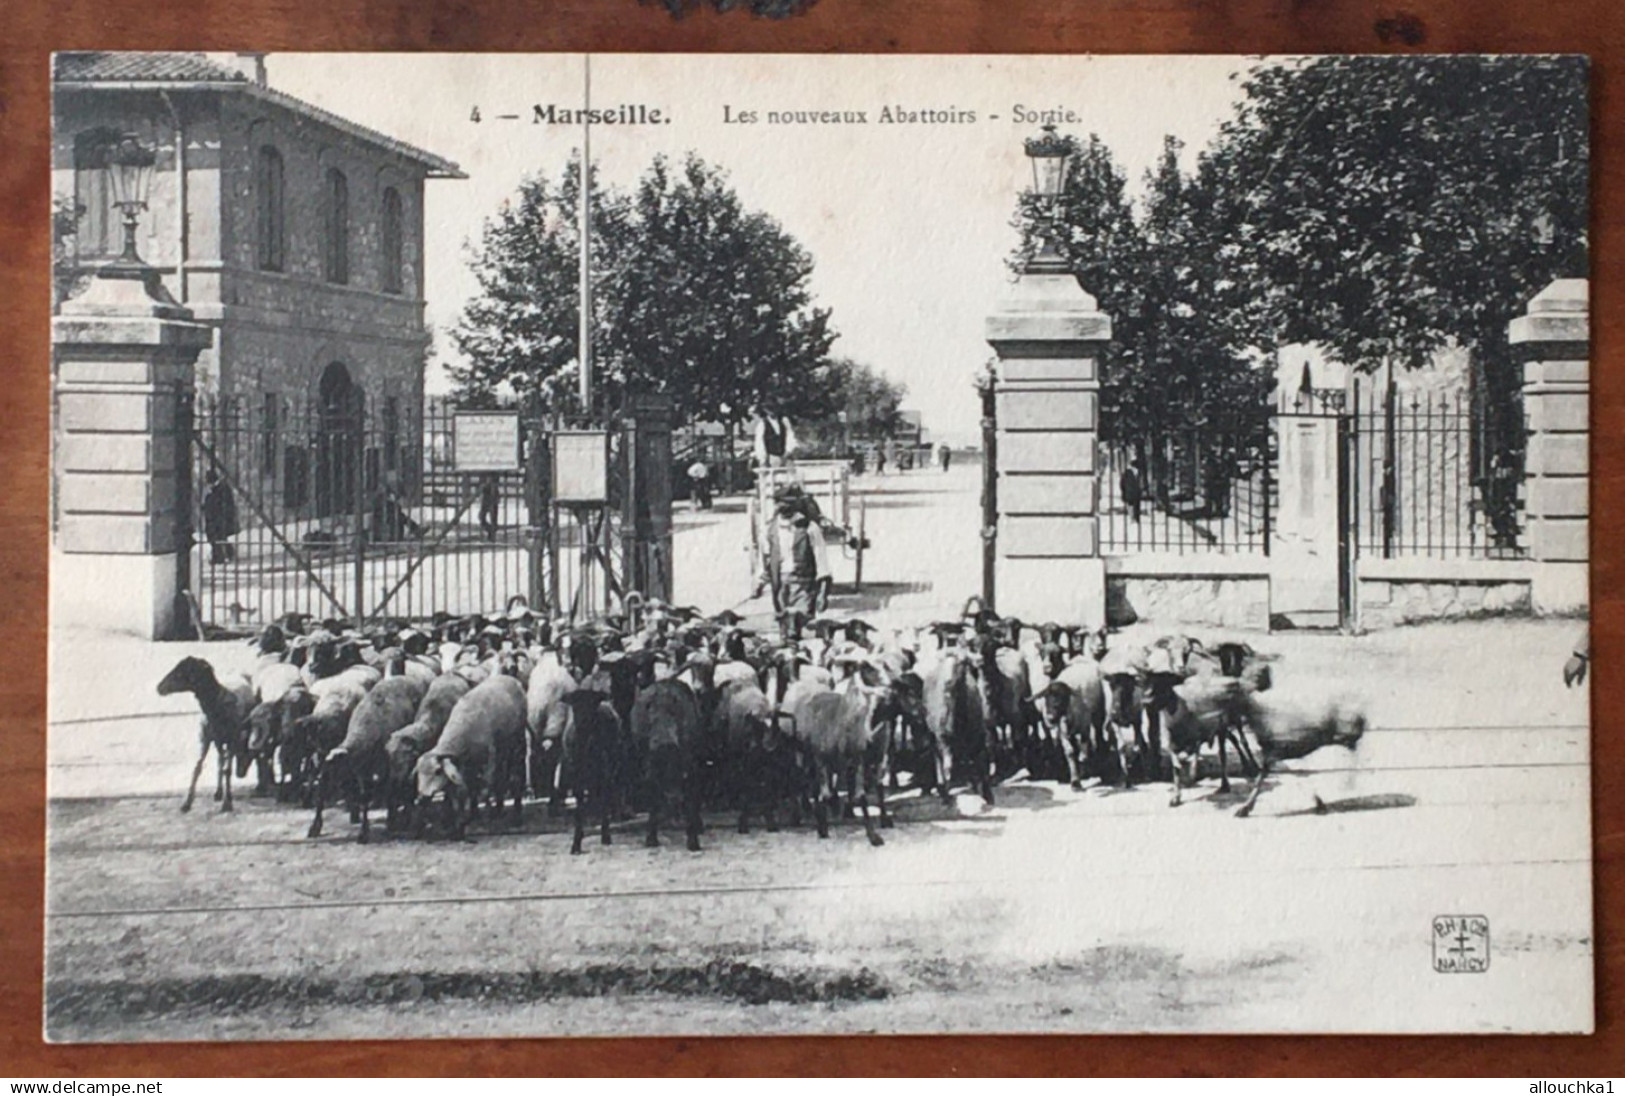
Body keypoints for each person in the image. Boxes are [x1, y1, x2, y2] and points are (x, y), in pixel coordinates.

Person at [757, 485, 830, 641]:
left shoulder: (810, 528)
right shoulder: (769, 529)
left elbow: (821, 560)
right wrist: (761, 582)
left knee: (800, 627)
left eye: (788, 505)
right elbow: (765, 557)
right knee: (784, 627)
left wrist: (823, 592)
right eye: (780, 504)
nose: (783, 508)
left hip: (803, 585)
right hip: (780, 585)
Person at [201, 470, 238, 563]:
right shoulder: (218, 489)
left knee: (217, 537)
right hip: (215, 518)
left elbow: (222, 504)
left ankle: (219, 556)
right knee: (218, 538)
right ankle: (225, 554)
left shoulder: (221, 489)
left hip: (219, 518)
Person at [1121, 452, 1144, 523]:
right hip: (1131, 491)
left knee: (1135, 505)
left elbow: (1122, 482)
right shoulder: (1128, 472)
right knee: (1131, 504)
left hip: (1135, 492)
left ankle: (1136, 518)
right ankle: (1133, 517)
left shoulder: (1138, 472)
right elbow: (1123, 482)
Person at [478, 473, 500, 541]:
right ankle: (490, 530)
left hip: (493, 495)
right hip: (486, 495)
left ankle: (492, 535)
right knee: (482, 517)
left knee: (493, 518)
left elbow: (496, 481)